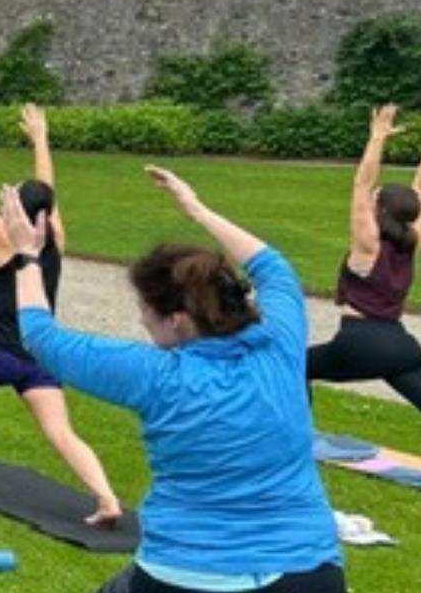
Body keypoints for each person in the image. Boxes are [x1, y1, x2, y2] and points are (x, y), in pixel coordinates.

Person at [17, 170, 345, 593]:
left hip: (189, 573)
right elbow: (273, 268)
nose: (141, 319)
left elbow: (41, 337)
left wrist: (26, 255)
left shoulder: (159, 376)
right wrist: (198, 211)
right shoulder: (281, 343)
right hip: (308, 574)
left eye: (146, 311)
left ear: (177, 320)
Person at [0, 97, 121, 526]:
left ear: (18, 211)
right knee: (61, 432)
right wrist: (41, 140)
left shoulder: (2, 239)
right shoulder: (55, 239)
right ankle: (107, 498)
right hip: (40, 354)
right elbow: (47, 191)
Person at [305, 104, 421, 411]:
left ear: (380, 210)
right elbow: (419, 194)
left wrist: (377, 137)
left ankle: (298, 439)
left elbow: (362, 183)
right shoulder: (410, 242)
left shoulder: (368, 246)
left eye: (375, 198)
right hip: (401, 347)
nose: (370, 198)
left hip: (359, 344)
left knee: (293, 368)